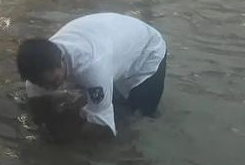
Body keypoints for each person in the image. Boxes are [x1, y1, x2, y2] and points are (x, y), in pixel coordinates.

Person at [17, 13, 166, 139]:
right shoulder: (35, 76)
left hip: (146, 51)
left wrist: (63, 140)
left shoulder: (92, 68)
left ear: (62, 60)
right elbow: (37, 111)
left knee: (138, 116)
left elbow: (102, 126)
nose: (51, 88)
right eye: (44, 85)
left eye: (55, 82)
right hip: (110, 42)